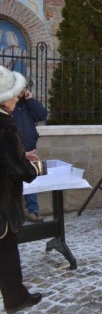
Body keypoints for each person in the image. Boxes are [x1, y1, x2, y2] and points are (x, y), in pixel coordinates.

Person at [0, 65, 43, 313]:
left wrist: (20, 154)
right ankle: (15, 298)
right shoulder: (6, 124)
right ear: (6, 99)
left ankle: (16, 295)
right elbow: (18, 170)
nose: (17, 97)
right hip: (3, 203)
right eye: (14, 94)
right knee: (7, 253)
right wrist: (34, 168)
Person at [13, 85, 48, 223]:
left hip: (30, 149)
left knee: (31, 181)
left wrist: (31, 100)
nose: (21, 91)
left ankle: (33, 210)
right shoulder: (8, 104)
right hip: (14, 150)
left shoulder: (29, 104)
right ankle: (15, 213)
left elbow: (42, 115)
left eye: (23, 88)